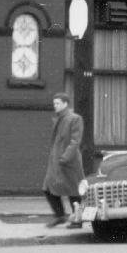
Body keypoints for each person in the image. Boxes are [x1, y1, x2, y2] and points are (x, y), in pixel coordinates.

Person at [43, 93, 85, 228]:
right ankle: (60, 215)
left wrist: (65, 158)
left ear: (66, 103)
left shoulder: (74, 118)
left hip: (69, 162)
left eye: (58, 103)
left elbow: (75, 141)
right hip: (56, 161)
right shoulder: (59, 119)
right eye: (54, 103)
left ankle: (77, 220)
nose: (55, 106)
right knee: (48, 188)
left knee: (73, 192)